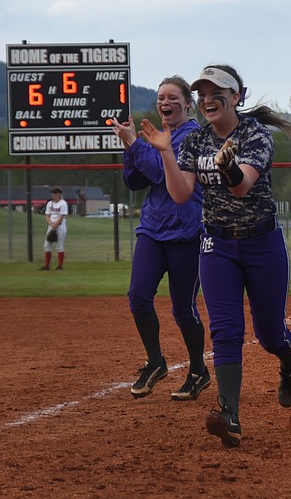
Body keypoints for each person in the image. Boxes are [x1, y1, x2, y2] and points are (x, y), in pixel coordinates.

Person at [139, 64, 291, 447]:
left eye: (217, 93)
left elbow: (243, 187)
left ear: (237, 97)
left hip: (262, 244)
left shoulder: (256, 134)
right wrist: (165, 153)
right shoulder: (195, 141)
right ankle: (229, 413)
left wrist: (227, 166)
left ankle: (290, 361)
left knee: (269, 334)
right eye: (203, 94)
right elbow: (181, 194)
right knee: (226, 330)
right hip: (216, 244)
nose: (208, 100)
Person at [111, 75, 210, 401]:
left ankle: (198, 370)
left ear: (187, 103)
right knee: (138, 296)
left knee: (183, 308)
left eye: (172, 98)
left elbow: (159, 172)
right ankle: (156, 361)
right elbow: (135, 181)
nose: (164, 103)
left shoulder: (193, 135)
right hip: (153, 227)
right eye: (160, 99)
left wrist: (137, 144)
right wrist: (131, 145)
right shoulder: (159, 135)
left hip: (186, 230)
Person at [40, 187, 67, 270]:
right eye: (52, 194)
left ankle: (60, 266)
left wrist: (56, 224)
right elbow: (47, 215)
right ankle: (47, 265)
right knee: (46, 245)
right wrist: (51, 224)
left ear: (58, 194)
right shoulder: (49, 203)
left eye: (54, 194)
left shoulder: (63, 203)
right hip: (51, 226)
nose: (53, 196)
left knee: (59, 246)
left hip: (60, 226)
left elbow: (62, 215)